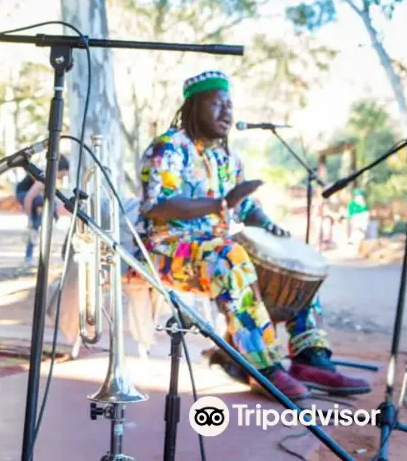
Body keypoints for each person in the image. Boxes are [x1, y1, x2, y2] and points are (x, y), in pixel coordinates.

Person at [137, 70, 369, 401]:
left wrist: (266, 223)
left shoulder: (227, 157)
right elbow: (155, 206)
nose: (227, 112)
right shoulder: (168, 147)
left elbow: (245, 207)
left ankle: (310, 357)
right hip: (167, 250)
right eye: (217, 104)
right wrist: (219, 204)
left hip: (214, 251)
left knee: (296, 265)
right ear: (194, 106)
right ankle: (262, 366)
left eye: (230, 104)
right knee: (230, 257)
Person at [15, 156, 70, 266]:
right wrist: (29, 218)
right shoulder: (44, 178)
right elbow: (28, 198)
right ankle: (50, 221)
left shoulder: (49, 177)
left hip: (30, 198)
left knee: (34, 229)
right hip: (23, 195)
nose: (63, 177)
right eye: (63, 174)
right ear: (58, 170)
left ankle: (28, 258)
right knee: (51, 201)